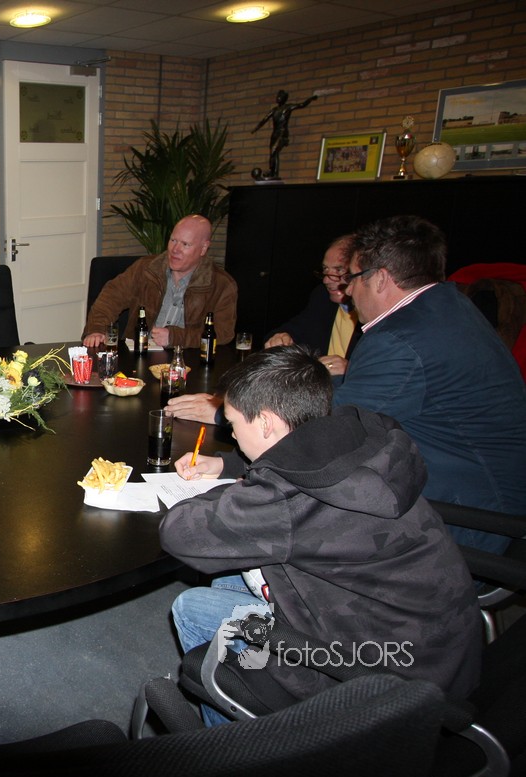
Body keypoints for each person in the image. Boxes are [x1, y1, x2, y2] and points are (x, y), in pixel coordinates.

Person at [162, 345, 481, 726]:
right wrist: (230, 465)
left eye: (233, 425)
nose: (231, 434)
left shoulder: (288, 499)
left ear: (265, 423)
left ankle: (239, 744)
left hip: (384, 681)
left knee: (192, 606)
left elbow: (179, 533)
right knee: (228, 579)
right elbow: (293, 462)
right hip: (441, 651)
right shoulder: (363, 436)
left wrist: (240, 489)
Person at [334, 214, 526, 551]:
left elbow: (335, 426)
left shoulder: (400, 339)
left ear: (380, 279)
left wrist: (246, 408)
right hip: (496, 503)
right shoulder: (448, 306)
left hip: (466, 524)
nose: (347, 291)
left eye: (352, 278)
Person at [82, 215, 236, 350]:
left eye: (185, 244)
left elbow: (224, 334)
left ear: (203, 248)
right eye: (173, 240)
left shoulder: (222, 285)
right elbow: (111, 297)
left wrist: (175, 337)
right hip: (139, 354)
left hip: (187, 360)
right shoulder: (145, 269)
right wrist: (96, 329)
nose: (175, 249)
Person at [263, 235, 360, 375]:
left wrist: (351, 369)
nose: (326, 280)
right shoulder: (323, 297)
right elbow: (296, 328)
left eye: (339, 270)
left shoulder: (375, 313)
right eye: (325, 270)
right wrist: (281, 337)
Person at [252, 89, 317, 180]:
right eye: (277, 96)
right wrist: (256, 128)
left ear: (284, 98)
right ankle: (272, 171)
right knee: (272, 153)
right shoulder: (274, 110)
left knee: (275, 151)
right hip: (275, 134)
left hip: (282, 132)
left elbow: (302, 105)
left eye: (280, 96)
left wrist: (310, 99)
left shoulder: (288, 107)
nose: (278, 98)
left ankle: (274, 173)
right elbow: (264, 120)